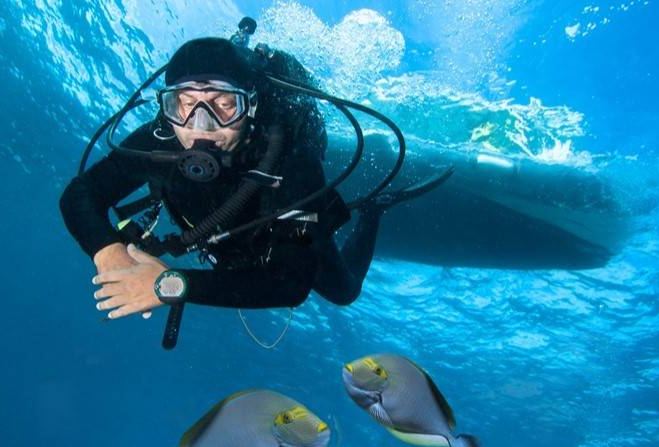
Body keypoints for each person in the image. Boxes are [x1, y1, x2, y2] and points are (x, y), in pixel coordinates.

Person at [60, 37, 445, 321]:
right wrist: (107, 253)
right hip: (225, 244)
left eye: (225, 105)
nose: (201, 126)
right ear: (168, 107)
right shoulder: (157, 142)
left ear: (251, 106)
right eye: (185, 104)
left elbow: (290, 283)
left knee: (343, 292)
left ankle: (374, 211)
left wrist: (169, 284)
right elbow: (80, 195)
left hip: (280, 233)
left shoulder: (291, 162)